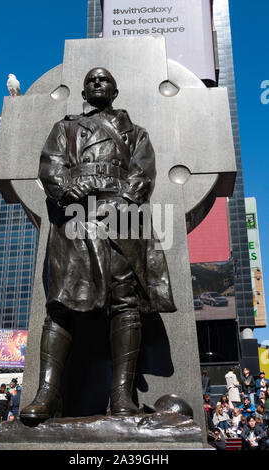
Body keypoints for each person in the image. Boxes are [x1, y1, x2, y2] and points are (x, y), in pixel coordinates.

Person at [20, 67, 177, 423]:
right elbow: (51, 166)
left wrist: (122, 202)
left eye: (103, 79)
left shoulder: (136, 133)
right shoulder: (66, 127)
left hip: (121, 218)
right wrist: (64, 189)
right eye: (90, 79)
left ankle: (122, 396)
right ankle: (47, 393)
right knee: (61, 303)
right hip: (75, 217)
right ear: (83, 92)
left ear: (115, 91)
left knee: (125, 302)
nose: (96, 83)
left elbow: (143, 174)